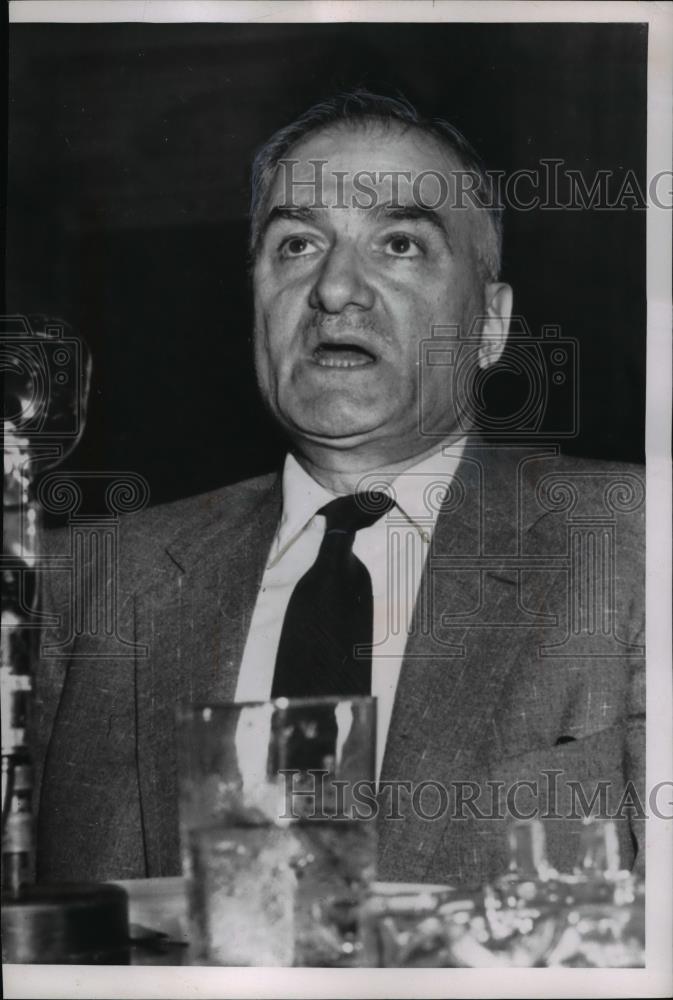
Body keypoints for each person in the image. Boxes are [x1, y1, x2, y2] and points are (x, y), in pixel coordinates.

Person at [34, 92, 645, 888]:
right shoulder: (81, 584)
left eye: (398, 243)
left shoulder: (632, 544)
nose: (333, 289)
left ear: (490, 325)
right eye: (295, 245)